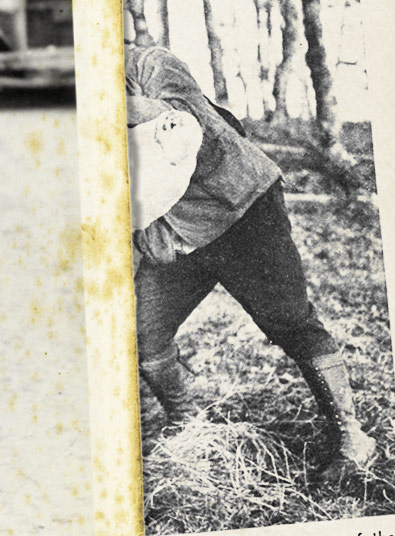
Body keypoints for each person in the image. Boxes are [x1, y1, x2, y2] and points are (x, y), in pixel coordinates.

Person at [126, 44, 376, 473]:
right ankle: (188, 421)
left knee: (289, 321)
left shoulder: (150, 63)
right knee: (142, 330)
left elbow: (184, 126)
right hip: (177, 233)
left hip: (242, 207)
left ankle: (352, 436)